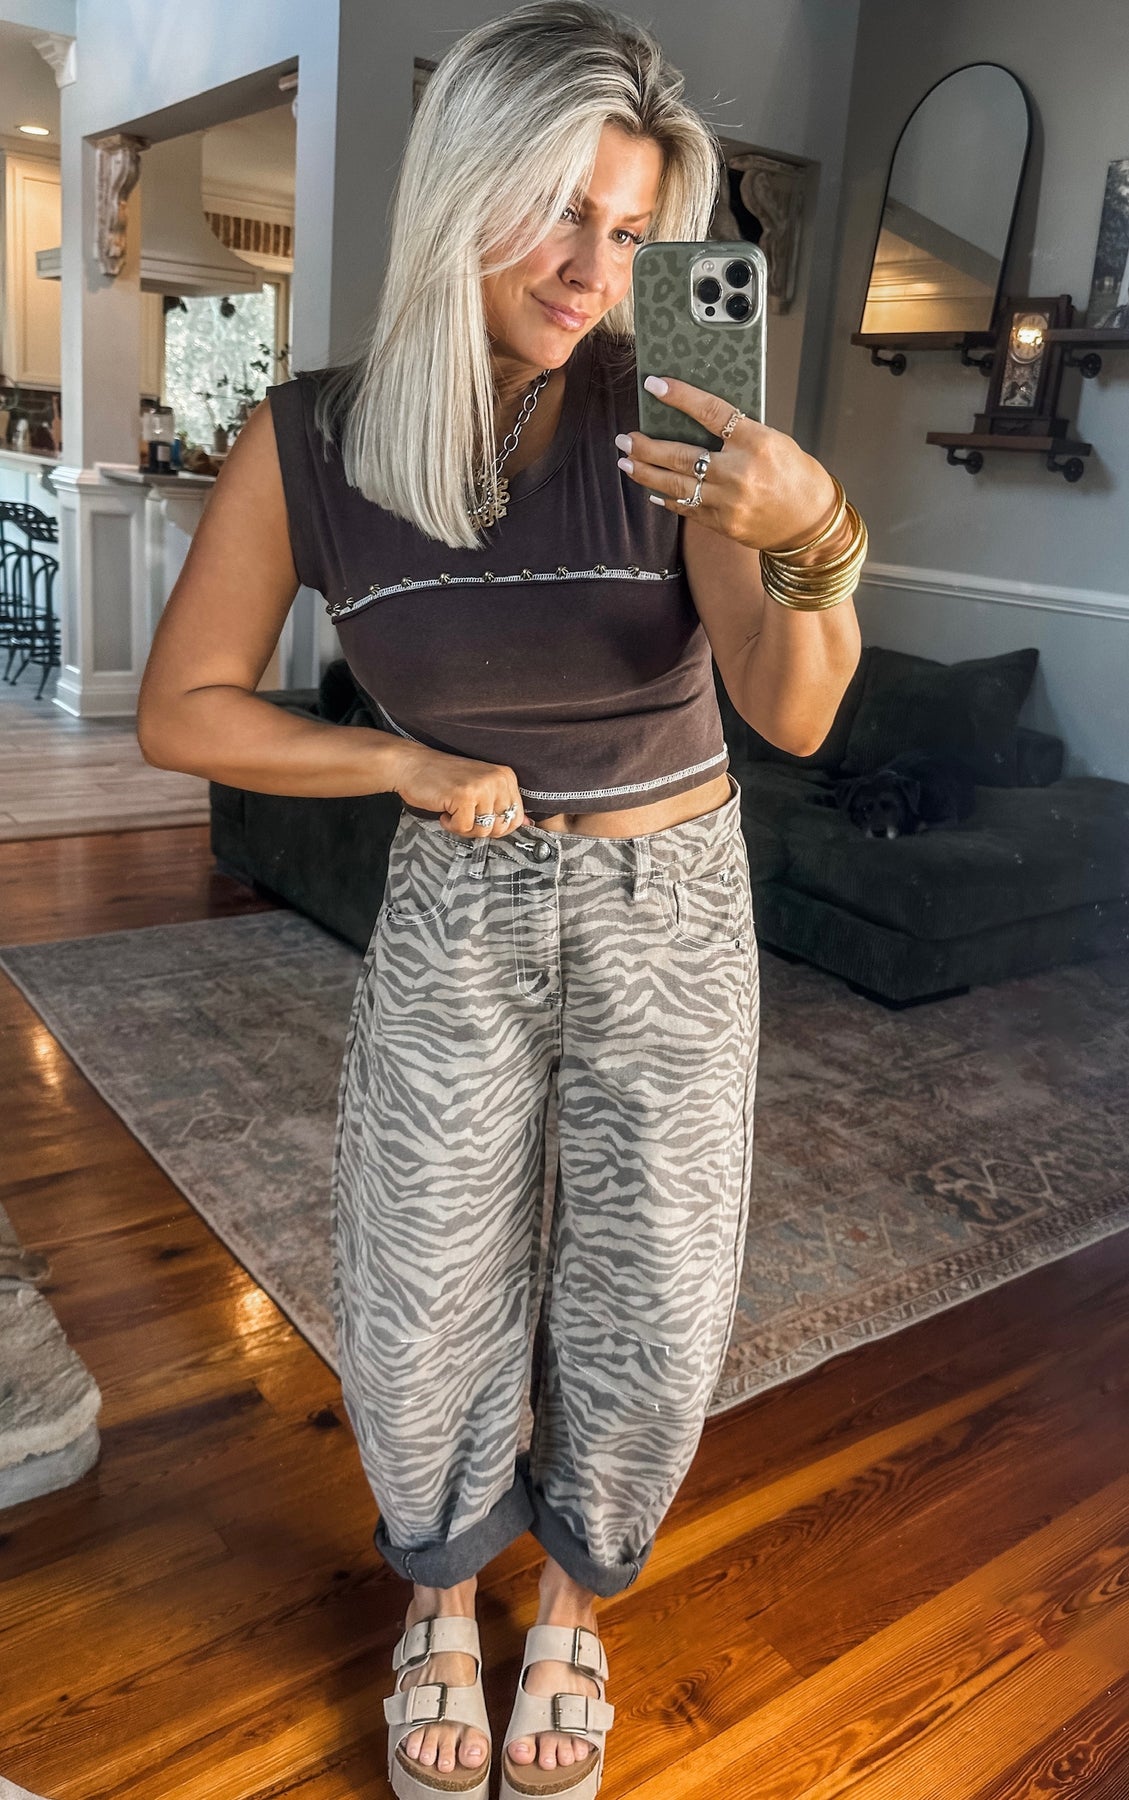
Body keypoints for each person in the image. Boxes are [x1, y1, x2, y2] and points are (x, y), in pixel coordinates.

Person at [136, 4, 865, 1796]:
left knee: (651, 1289)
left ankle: (573, 1609)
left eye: (627, 230)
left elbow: (790, 709)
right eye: (557, 214)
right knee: (422, 1279)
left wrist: (814, 534)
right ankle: (443, 1596)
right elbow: (184, 710)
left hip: (667, 902)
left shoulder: (675, 384)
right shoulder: (311, 440)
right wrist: (393, 763)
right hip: (459, 894)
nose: (592, 269)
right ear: (462, 184)